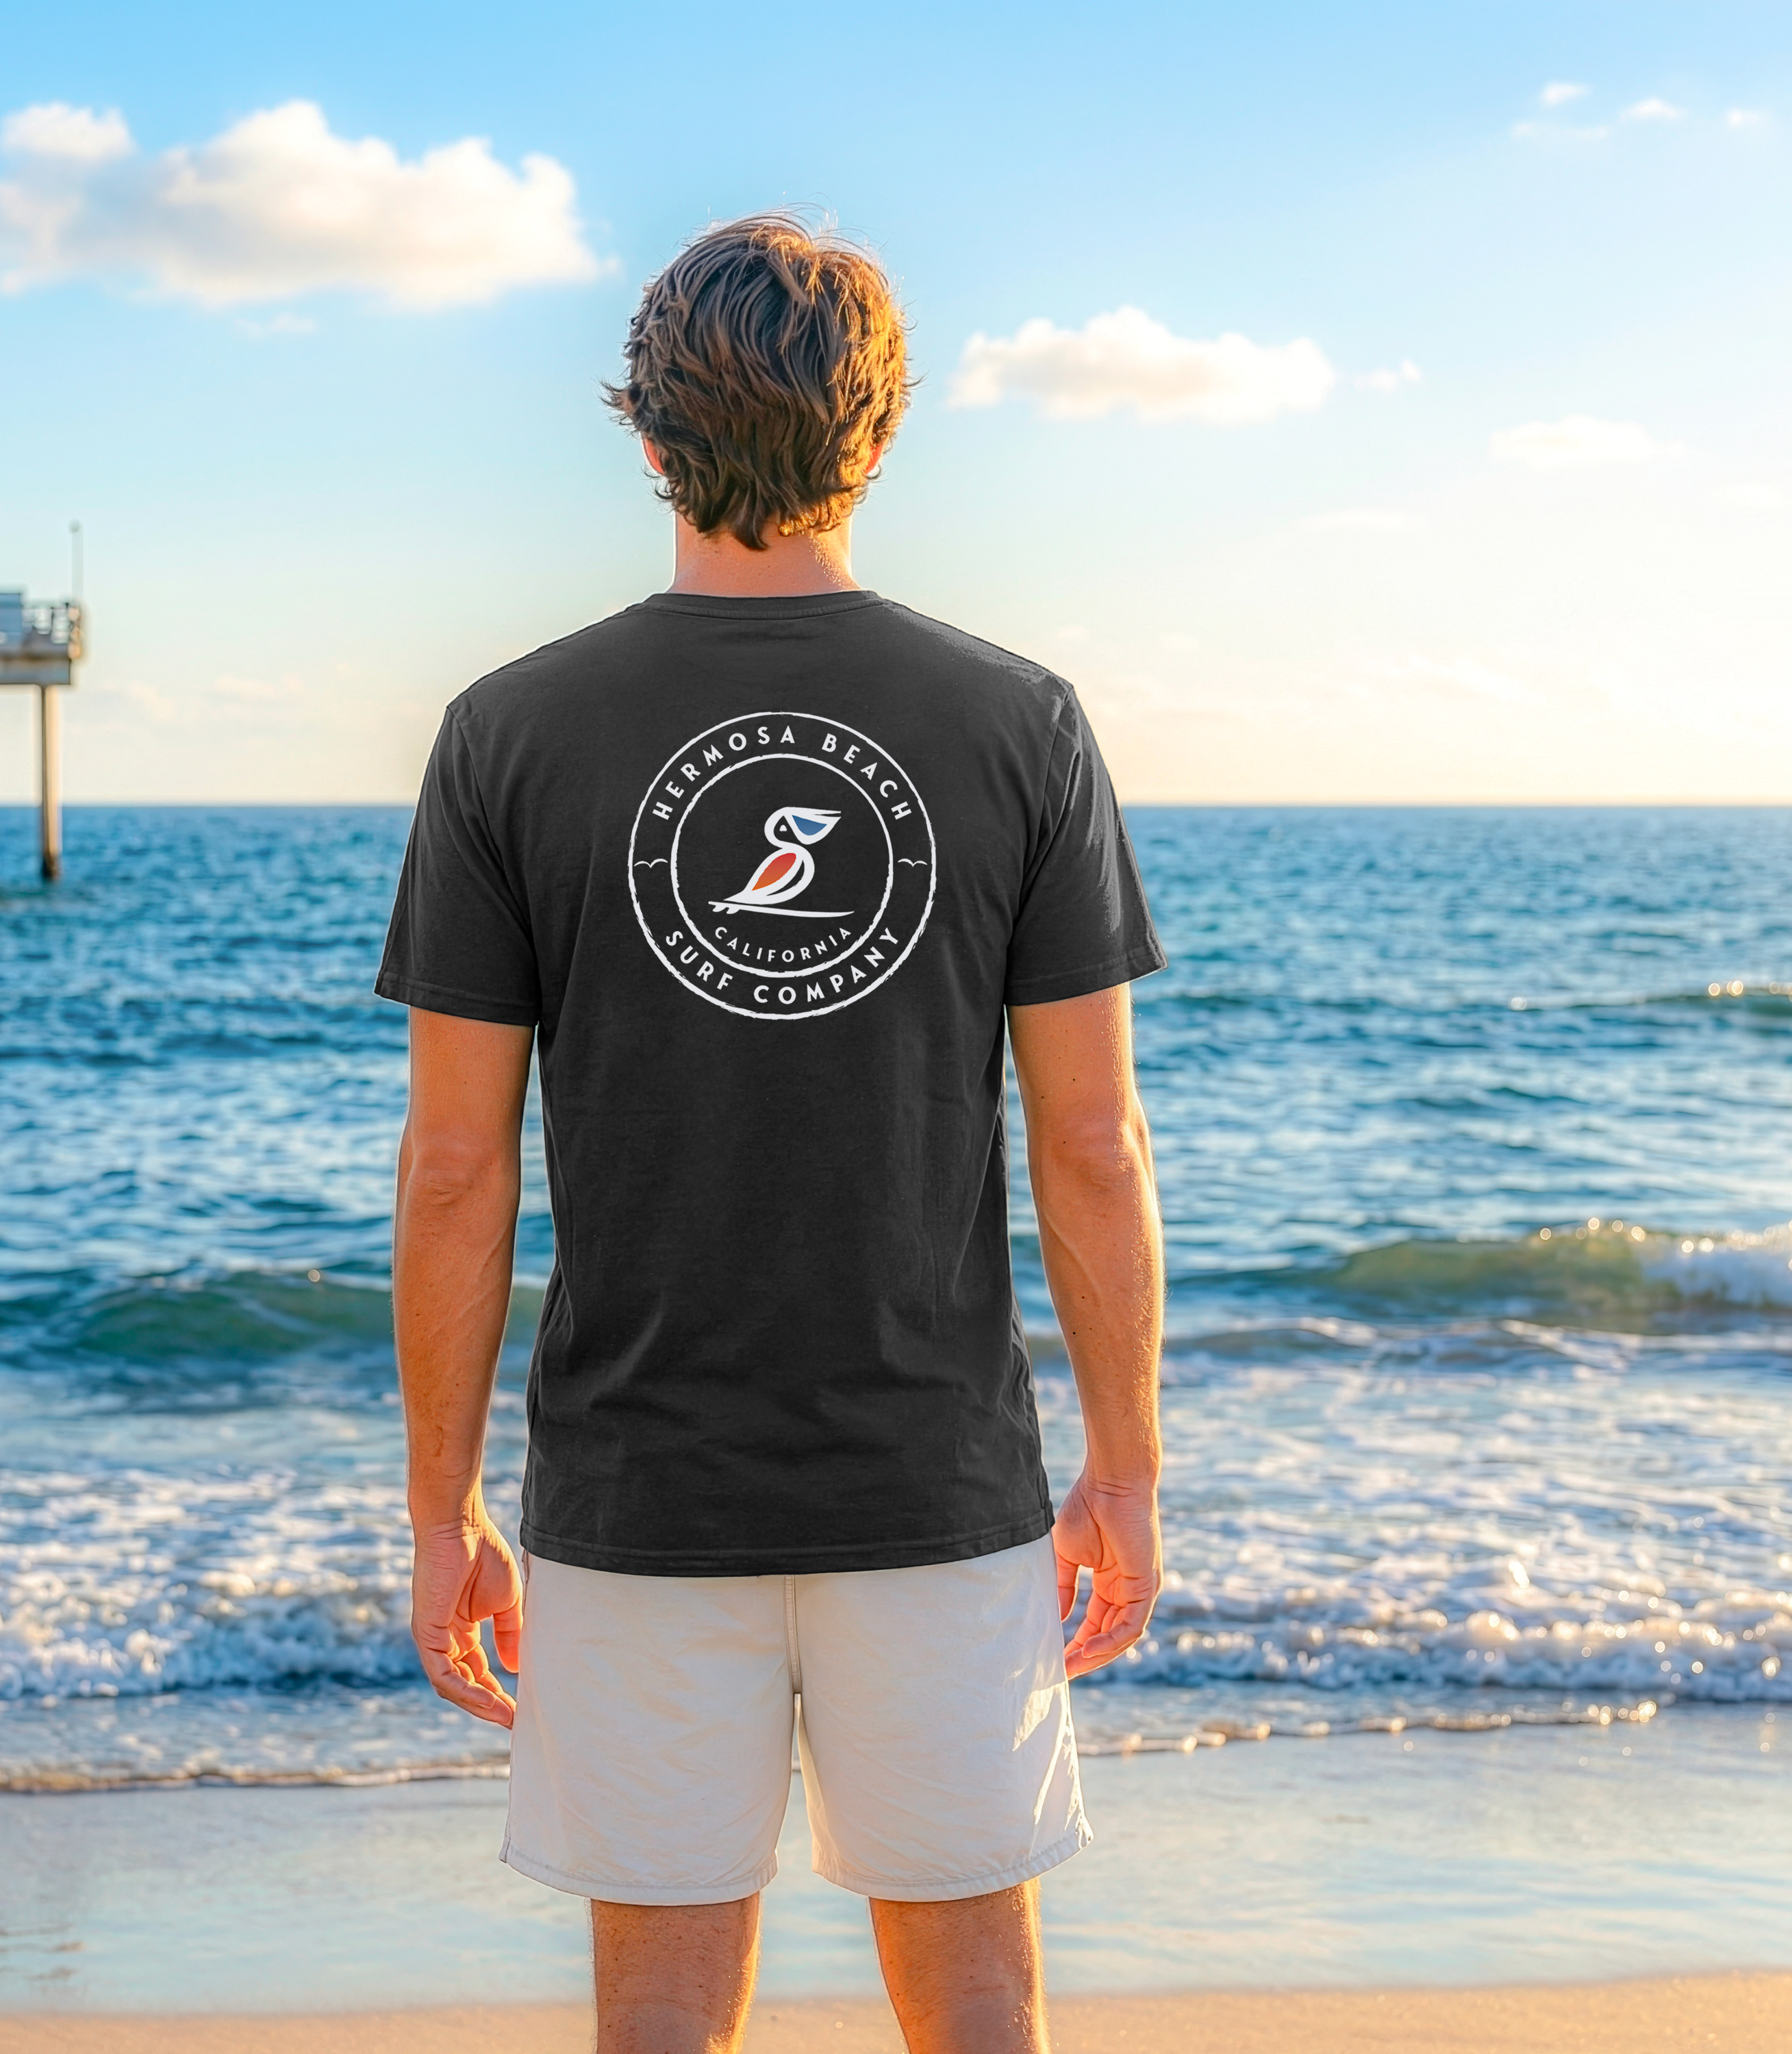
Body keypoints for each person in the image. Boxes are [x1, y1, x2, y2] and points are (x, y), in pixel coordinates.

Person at [378, 214, 1166, 2054]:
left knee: (662, 1993)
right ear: (878, 434)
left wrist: (441, 1515)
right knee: (971, 1986)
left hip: (639, 1490)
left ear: (647, 437)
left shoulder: (507, 733)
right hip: (939, 1483)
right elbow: (1093, 1145)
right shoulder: (1019, 723)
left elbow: (453, 1168)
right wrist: (1125, 1468)